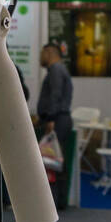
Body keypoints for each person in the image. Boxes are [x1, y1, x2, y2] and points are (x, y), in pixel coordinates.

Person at [36, 41, 74, 208]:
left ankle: (56, 202)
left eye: (43, 53)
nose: (40, 57)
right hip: (56, 119)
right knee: (54, 160)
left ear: (50, 53)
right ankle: (56, 201)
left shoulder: (56, 71)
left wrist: (50, 118)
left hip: (57, 120)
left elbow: (56, 95)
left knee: (54, 162)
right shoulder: (57, 70)